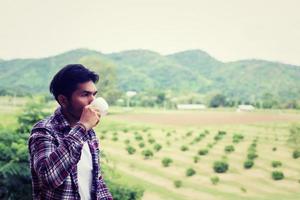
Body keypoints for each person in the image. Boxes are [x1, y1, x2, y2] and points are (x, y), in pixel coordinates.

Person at [28, 64, 113, 200]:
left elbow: (96, 181)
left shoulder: (89, 134)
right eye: (85, 94)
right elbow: (49, 177)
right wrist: (82, 126)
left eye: (94, 94)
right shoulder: (44, 131)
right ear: (63, 100)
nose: (93, 101)